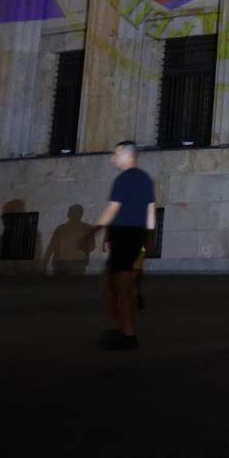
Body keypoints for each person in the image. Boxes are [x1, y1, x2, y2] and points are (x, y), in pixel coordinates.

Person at [94, 141, 155, 351]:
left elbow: (113, 209)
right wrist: (150, 236)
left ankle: (127, 334)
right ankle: (120, 330)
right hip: (134, 234)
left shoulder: (124, 179)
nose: (113, 158)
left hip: (124, 234)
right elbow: (150, 209)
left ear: (128, 156)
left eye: (116, 154)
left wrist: (92, 232)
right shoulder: (145, 179)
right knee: (113, 282)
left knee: (120, 286)